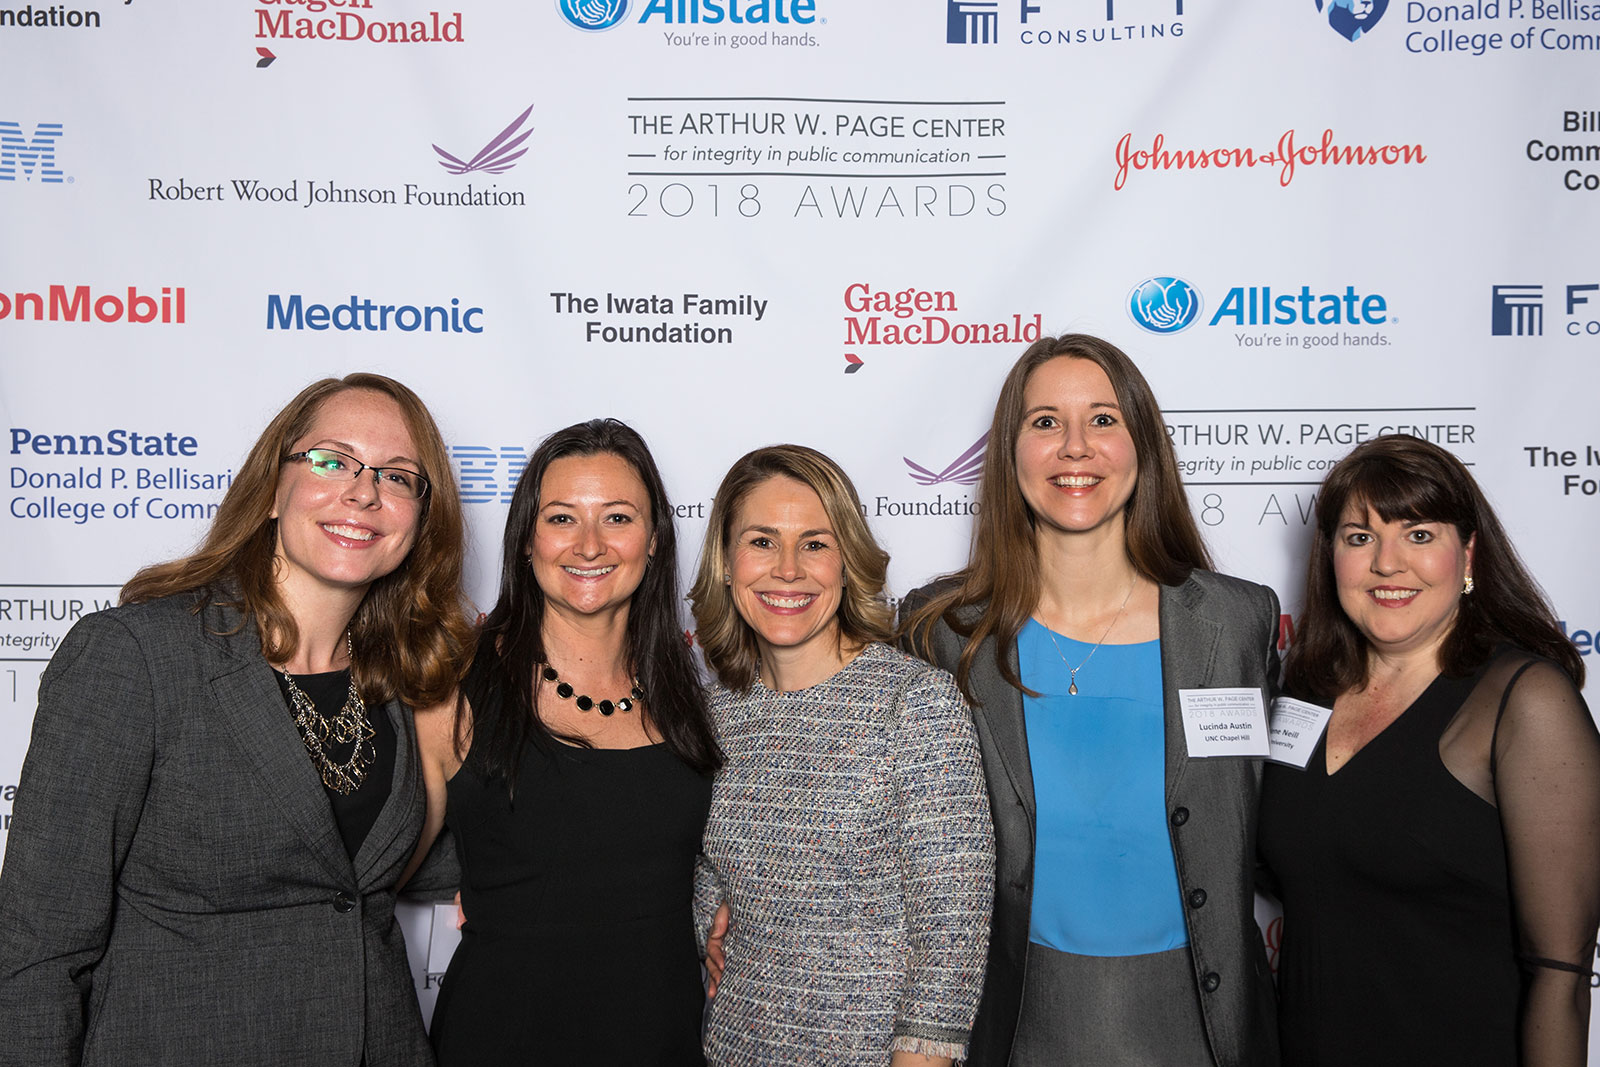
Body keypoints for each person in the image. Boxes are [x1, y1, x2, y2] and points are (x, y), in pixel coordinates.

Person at [0, 374, 475, 1067]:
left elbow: (441, 870)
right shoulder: (137, 656)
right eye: (331, 460)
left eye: (398, 476)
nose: (364, 491)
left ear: (421, 516)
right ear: (273, 484)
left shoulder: (408, 682)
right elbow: (36, 949)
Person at [902, 334, 1281, 1067]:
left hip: (1204, 1026)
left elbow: (1291, 828)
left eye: (1104, 420)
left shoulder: (1237, 622)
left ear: (1144, 445)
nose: (1076, 448)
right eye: (1045, 422)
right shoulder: (942, 632)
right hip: (1018, 1022)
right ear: (1009, 454)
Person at [1258, 433, 1600, 1066]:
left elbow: (1562, 974)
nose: (1388, 564)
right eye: (1360, 538)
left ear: (1467, 555)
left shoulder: (1523, 701)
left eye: (1419, 535)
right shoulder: (1303, 693)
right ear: (1331, 556)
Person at [413, 418, 721, 1066]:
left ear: (655, 540)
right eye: (561, 518)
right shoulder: (454, 692)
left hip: (664, 1042)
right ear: (526, 539)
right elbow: (369, 878)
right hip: (499, 1041)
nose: (588, 544)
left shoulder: (695, 697)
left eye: (616, 517)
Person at [687, 444, 994, 1067]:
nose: (789, 569)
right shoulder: (713, 712)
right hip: (733, 1048)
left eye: (816, 543)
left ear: (848, 563)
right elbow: (709, 873)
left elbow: (953, 918)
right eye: (762, 541)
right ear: (726, 562)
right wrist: (708, 922)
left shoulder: (914, 703)